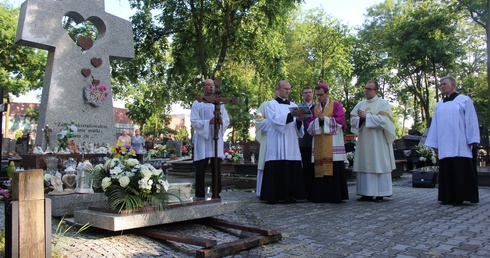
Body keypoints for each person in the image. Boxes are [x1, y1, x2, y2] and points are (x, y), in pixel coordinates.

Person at [424, 76, 480, 205]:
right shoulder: (439, 105)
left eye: (445, 84)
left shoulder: (464, 100)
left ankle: (460, 196)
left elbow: (471, 121)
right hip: (444, 143)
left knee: (460, 169)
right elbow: (435, 126)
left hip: (460, 142)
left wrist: (472, 139)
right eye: (441, 85)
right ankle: (447, 196)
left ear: (453, 85)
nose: (442, 86)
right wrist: (434, 144)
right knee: (446, 169)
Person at [260, 80, 307, 204]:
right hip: (276, 140)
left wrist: (299, 120)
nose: (287, 91)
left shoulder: (294, 105)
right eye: (285, 88)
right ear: (278, 89)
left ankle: (291, 195)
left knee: (291, 167)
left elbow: (298, 130)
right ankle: (274, 196)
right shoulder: (271, 104)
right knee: (277, 166)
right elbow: (275, 121)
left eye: (289, 89)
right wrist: (291, 115)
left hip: (291, 140)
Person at [350, 80, 396, 202]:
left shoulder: (383, 104)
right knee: (365, 163)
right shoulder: (360, 104)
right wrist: (360, 119)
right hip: (364, 140)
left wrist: (367, 117)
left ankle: (381, 193)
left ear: (375, 91)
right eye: (365, 88)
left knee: (378, 163)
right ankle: (366, 193)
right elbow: (352, 120)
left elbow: (385, 121)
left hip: (378, 141)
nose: (366, 91)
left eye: (369, 89)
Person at [305, 83, 349, 203]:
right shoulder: (315, 108)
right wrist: (318, 121)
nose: (319, 98)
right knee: (319, 168)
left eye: (321, 95)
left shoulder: (336, 105)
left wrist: (325, 119)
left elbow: (341, 121)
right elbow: (309, 125)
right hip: (319, 142)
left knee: (334, 167)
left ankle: (335, 195)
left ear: (327, 93)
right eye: (317, 95)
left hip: (333, 143)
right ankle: (321, 196)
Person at [190, 79, 230, 198]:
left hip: (216, 137)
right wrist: (209, 122)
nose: (211, 87)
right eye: (208, 85)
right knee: (201, 168)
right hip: (203, 138)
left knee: (216, 168)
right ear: (203, 87)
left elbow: (226, 119)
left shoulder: (219, 103)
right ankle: (200, 195)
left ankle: (216, 193)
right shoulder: (198, 103)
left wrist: (222, 122)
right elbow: (194, 121)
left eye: (212, 85)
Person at [298, 86, 316, 200]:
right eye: (305, 93)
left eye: (309, 92)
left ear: (313, 94)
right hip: (304, 141)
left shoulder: (318, 107)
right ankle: (305, 191)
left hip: (316, 140)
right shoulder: (299, 107)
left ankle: (315, 191)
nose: (308, 94)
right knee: (306, 166)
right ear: (302, 95)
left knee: (315, 166)